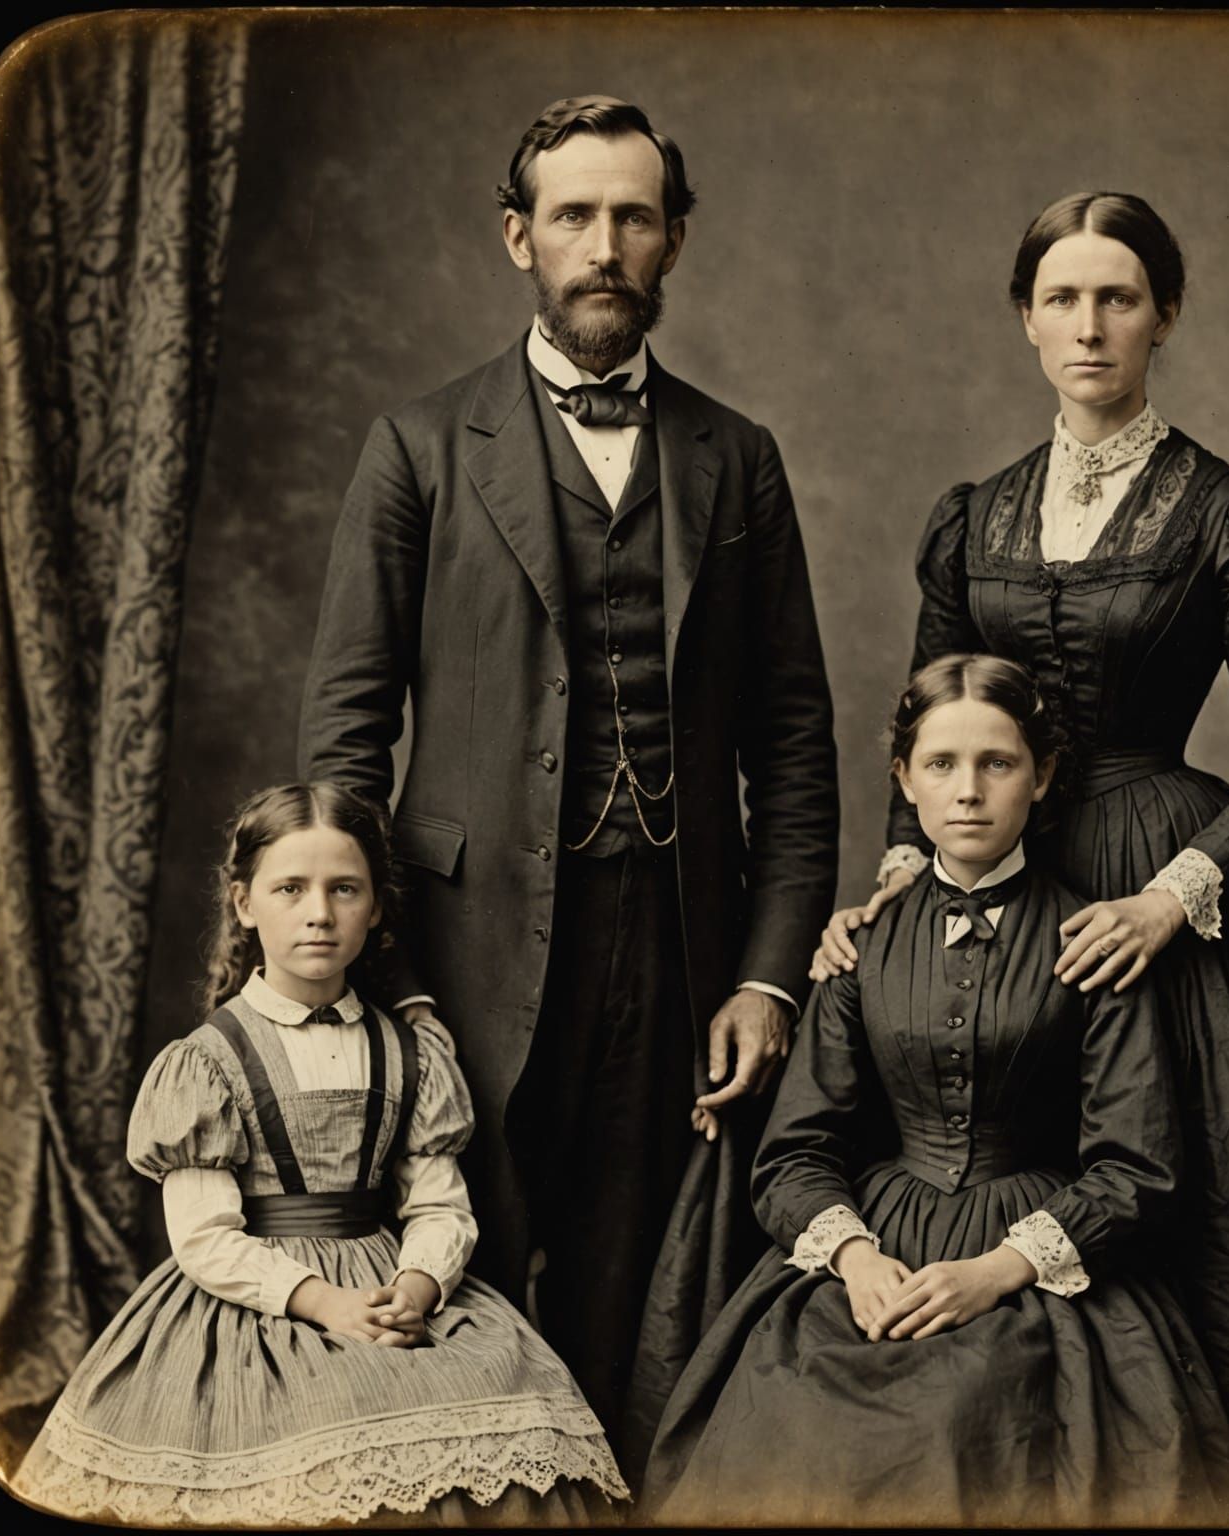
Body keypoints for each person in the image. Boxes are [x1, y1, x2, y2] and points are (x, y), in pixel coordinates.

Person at [811, 192, 1229, 1511]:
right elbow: (928, 728)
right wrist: (896, 893)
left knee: (1202, 1210)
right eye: (1064, 298)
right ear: (1025, 320)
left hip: (1153, 883)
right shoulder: (976, 516)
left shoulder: (1227, 512)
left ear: (1164, 316)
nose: (1091, 325)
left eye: (1118, 298)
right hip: (993, 873)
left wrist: (1172, 900)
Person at [297, 96, 838, 1458]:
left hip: (676, 952)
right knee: (453, 1285)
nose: (605, 245)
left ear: (674, 242)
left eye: (635, 218)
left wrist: (767, 978)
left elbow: (793, 745)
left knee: (635, 1308)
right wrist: (392, 979)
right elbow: (346, 744)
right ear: (517, 238)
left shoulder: (738, 458)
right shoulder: (420, 447)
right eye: (575, 217)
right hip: (461, 952)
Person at [643, 655, 1229, 1525]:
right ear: (906, 782)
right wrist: (854, 1262)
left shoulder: (1095, 943)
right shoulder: (859, 949)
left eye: (997, 764)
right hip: (876, 1249)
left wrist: (996, 1273)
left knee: (972, 1429)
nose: (968, 792)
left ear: (1040, 778)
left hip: (1030, 1261)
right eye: (941, 765)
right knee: (802, 1423)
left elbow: (1136, 1169)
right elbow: (796, 1155)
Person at [12, 782, 627, 1526]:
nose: (318, 913)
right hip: (261, 1306)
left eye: (344, 890)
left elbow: (438, 1204)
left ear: (374, 908)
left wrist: (420, 1285)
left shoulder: (411, 1054)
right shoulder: (209, 1062)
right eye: (290, 889)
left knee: (513, 1413)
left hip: (387, 1285)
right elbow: (204, 1238)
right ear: (244, 904)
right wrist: (323, 1302)